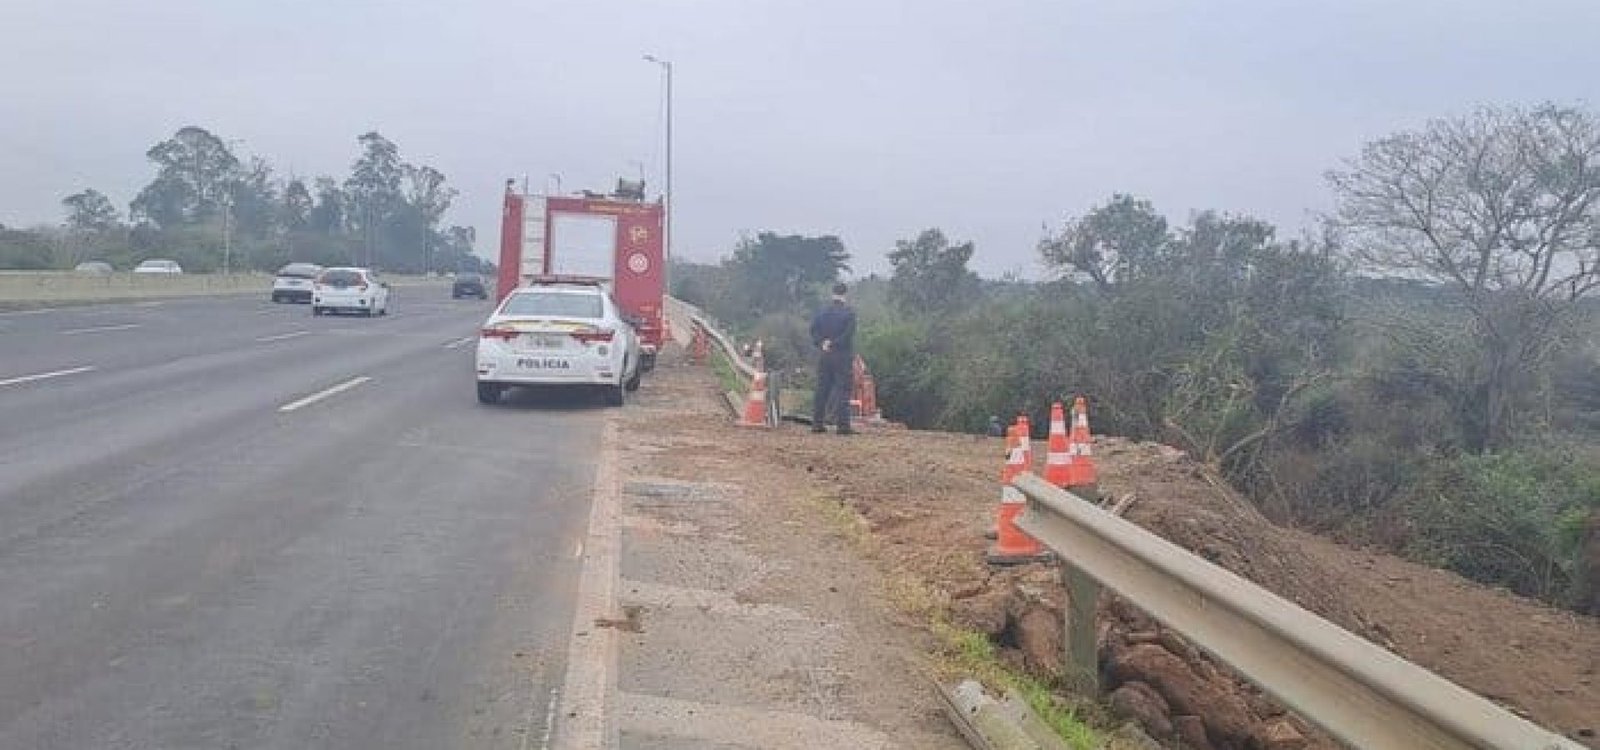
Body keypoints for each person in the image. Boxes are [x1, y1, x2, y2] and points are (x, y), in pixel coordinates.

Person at [810, 282, 857, 435]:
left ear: (832, 293)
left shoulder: (821, 312)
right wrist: (834, 343)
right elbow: (848, 335)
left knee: (822, 389)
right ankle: (843, 426)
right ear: (845, 294)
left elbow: (813, 330)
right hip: (842, 355)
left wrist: (822, 343)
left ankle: (817, 424)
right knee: (843, 390)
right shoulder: (849, 313)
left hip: (824, 354)